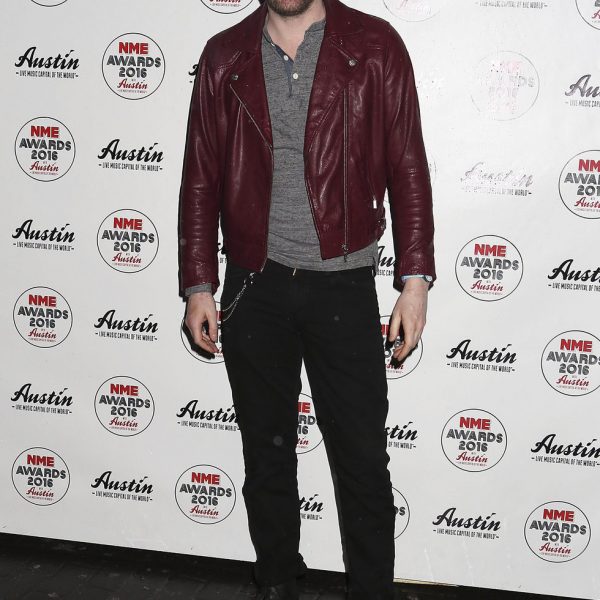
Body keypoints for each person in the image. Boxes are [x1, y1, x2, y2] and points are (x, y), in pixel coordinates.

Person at [178, 0, 435, 598]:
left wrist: (415, 279)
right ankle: (277, 583)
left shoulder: (375, 45)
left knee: (362, 461)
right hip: (253, 283)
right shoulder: (225, 56)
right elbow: (201, 174)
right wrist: (199, 283)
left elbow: (408, 164)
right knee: (266, 457)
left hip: (343, 283)